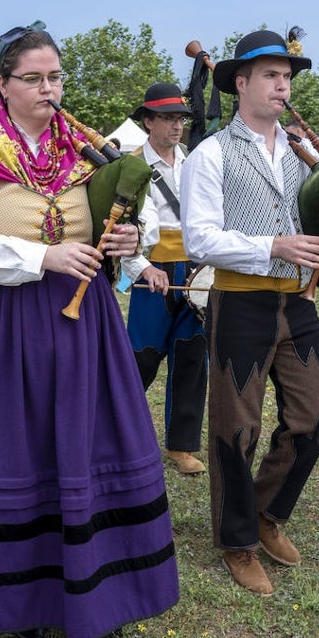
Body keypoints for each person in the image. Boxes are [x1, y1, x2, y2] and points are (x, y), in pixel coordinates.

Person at [0, 23, 178, 638]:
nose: (48, 88)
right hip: (3, 325)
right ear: (1, 84)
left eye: (55, 76)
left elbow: (114, 233)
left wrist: (122, 247)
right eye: (33, 77)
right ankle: (23, 599)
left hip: (84, 325)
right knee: (20, 458)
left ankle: (100, 606)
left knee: (87, 452)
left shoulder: (83, 149)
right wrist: (43, 256)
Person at [180, 30, 319, 597]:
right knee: (237, 427)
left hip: (297, 304)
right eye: (271, 76)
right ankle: (237, 542)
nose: (283, 85)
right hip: (240, 301)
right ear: (241, 83)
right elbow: (200, 239)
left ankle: (264, 513)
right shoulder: (211, 153)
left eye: (288, 77)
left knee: (317, 418)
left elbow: (318, 219)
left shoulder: (303, 158)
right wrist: (273, 245)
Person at [120, 82, 207, 475]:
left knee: (192, 357)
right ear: (148, 121)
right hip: (153, 269)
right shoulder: (132, 166)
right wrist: (141, 268)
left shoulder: (194, 161)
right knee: (142, 359)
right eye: (168, 118)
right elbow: (121, 227)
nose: (177, 126)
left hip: (196, 272)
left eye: (181, 119)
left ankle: (182, 446)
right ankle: (116, 437)